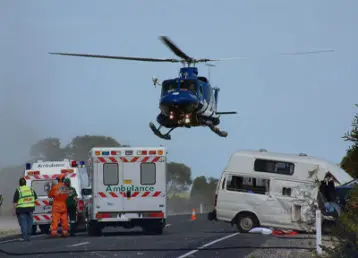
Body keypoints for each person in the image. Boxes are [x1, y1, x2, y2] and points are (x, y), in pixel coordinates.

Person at [12, 177, 37, 241]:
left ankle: (24, 236)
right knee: (29, 222)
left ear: (19, 183)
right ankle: (28, 236)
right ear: (25, 183)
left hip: (21, 209)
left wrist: (14, 211)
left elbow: (15, 201)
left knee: (23, 223)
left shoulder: (18, 190)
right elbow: (35, 197)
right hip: (30, 208)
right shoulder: (31, 189)